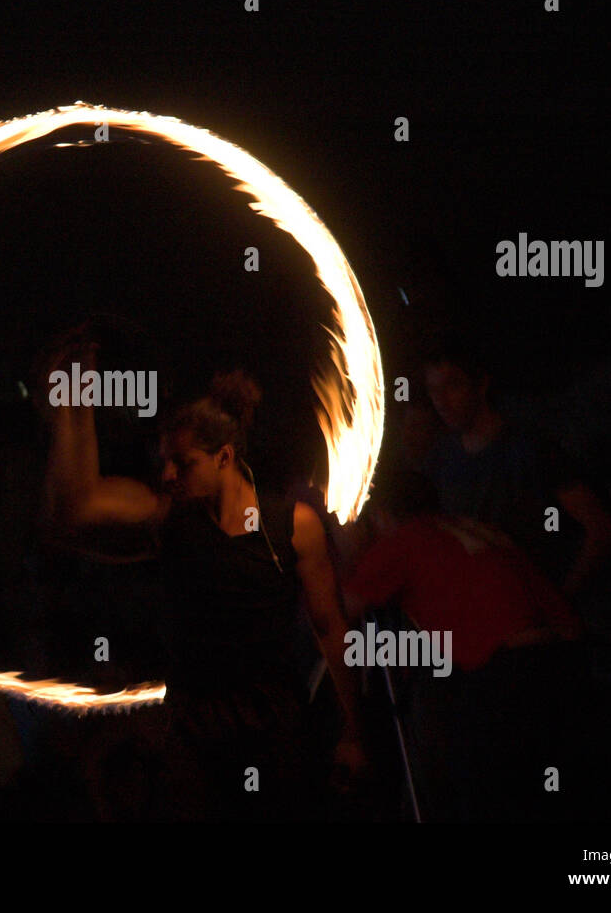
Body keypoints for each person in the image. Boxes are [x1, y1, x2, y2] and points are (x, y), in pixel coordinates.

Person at [40, 334, 366, 820]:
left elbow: (330, 628)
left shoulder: (292, 527)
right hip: (194, 727)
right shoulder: (168, 518)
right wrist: (73, 406)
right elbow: (76, 508)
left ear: (225, 456)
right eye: (165, 460)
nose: (168, 472)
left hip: (273, 724)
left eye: (183, 462)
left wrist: (354, 734)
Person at [342, 467, 591, 821]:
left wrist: (343, 548)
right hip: (569, 660)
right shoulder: (472, 528)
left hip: (509, 672)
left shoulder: (402, 540)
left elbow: (337, 611)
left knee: (481, 790)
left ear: (381, 515)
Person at [420, 340, 611, 602]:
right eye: (433, 390)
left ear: (481, 385)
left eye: (452, 386)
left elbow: (599, 528)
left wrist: (561, 599)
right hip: (481, 609)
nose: (441, 401)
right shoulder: (441, 456)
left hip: (531, 611)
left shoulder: (530, 449)